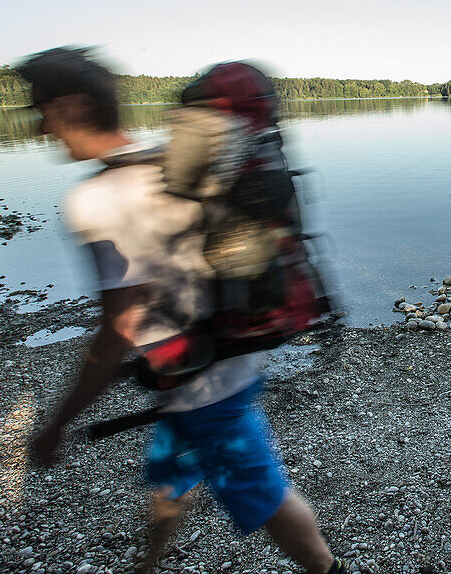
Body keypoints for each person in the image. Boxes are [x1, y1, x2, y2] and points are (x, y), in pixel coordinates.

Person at [22, 48, 350, 574]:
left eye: (42, 109)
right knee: (171, 471)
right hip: (211, 356)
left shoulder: (97, 200)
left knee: (261, 493)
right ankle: (149, 562)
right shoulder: (164, 162)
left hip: (203, 383)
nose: (40, 128)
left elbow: (117, 330)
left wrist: (56, 423)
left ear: (71, 108)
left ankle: (327, 568)